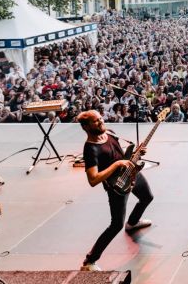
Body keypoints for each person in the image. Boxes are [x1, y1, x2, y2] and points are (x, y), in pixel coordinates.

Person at [78, 110, 154, 272]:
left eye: (100, 119)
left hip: (131, 173)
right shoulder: (90, 149)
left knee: (147, 197)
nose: (101, 122)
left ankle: (132, 223)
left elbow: (121, 157)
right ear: (85, 127)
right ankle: (89, 261)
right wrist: (116, 165)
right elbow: (93, 180)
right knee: (115, 225)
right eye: (96, 121)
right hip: (116, 186)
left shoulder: (110, 133)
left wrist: (135, 154)